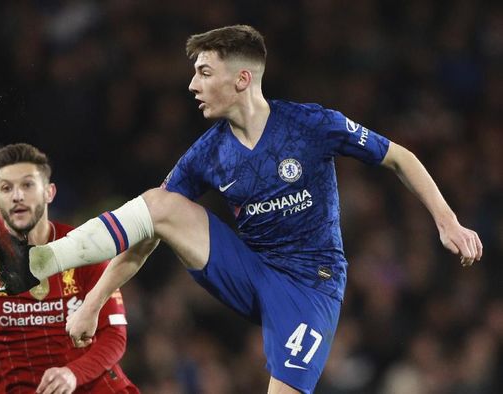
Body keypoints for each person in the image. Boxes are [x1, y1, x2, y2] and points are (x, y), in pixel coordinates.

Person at [26, 25, 484, 393]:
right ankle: (48, 257)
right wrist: (92, 302)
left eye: (204, 72)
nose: (192, 84)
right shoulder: (207, 153)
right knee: (161, 202)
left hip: (311, 285)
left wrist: (448, 221)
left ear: (241, 79)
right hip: (249, 271)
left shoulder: (310, 124)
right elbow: (147, 229)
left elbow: (398, 157)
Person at [0, 143, 139, 394]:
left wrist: (73, 374)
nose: (17, 196)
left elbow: (114, 335)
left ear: (49, 192)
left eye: (27, 185)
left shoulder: (85, 247)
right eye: (6, 188)